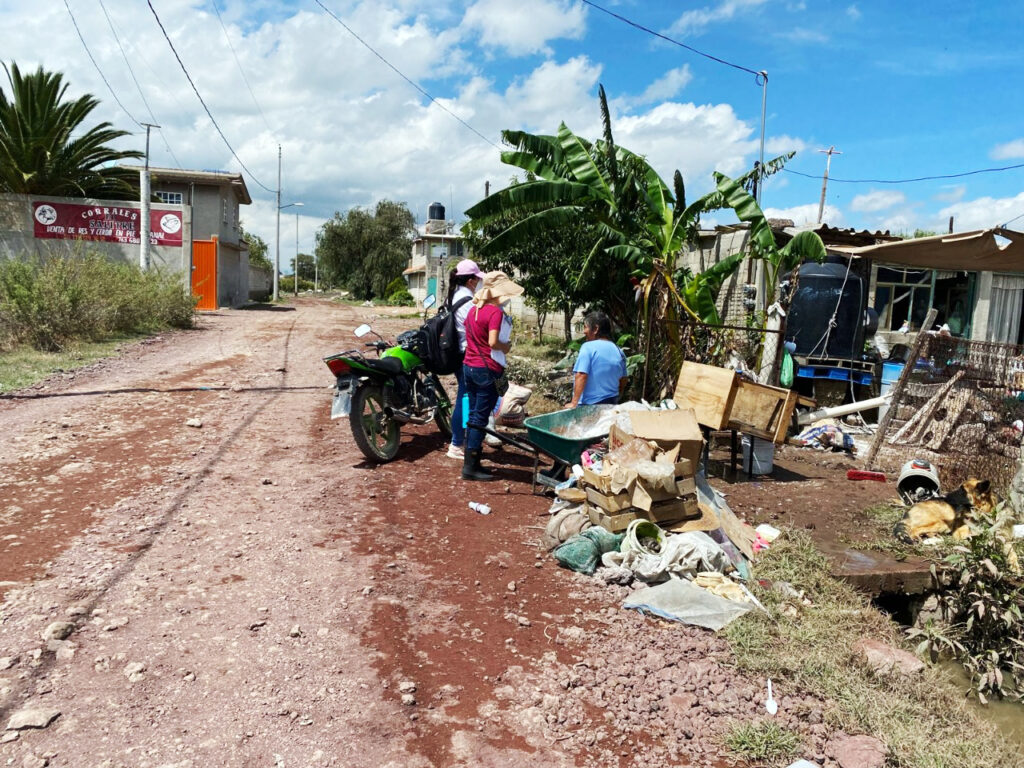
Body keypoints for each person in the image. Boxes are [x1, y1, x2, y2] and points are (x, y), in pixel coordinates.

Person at [461, 270, 523, 481]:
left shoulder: (473, 311)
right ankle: (471, 467)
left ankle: (471, 461)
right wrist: (506, 347)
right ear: (499, 293)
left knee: (473, 415)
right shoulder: (495, 313)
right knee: (481, 416)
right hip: (487, 369)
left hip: (469, 367)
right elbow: (493, 342)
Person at [444, 259, 485, 461]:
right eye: (477, 279)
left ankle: (463, 439)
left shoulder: (454, 296)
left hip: (457, 352)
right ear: (470, 280)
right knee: (465, 398)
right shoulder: (468, 302)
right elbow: (477, 328)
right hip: (466, 354)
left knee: (466, 397)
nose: (479, 282)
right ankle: (457, 443)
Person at [567, 311, 628, 407]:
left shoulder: (587, 347)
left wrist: (574, 402)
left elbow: (581, 375)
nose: (584, 331)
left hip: (589, 406)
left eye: (585, 327)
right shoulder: (619, 351)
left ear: (595, 329)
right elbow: (623, 379)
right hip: (611, 404)